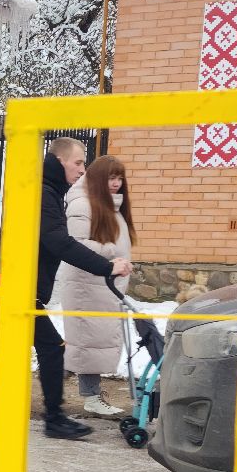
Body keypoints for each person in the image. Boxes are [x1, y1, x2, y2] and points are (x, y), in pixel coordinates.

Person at [0, 137, 133, 440]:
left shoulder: (48, 191)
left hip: (19, 288)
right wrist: (106, 266)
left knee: (10, 350)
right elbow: (60, 242)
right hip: (15, 289)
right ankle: (53, 419)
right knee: (49, 348)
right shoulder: (42, 193)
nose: (82, 169)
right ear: (59, 161)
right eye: (78, 162)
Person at [59, 154, 136, 417]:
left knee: (89, 343)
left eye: (119, 178)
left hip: (103, 285)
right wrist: (112, 253)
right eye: (111, 178)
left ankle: (60, 388)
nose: (116, 183)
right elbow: (75, 244)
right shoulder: (83, 204)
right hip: (86, 284)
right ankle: (90, 397)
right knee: (87, 343)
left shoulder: (111, 205)